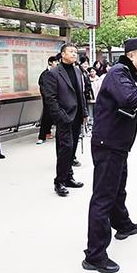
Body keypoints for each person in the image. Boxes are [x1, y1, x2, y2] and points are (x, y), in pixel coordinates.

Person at [83, 37, 137, 273]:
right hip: (108, 144)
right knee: (103, 197)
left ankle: (122, 224)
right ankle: (95, 255)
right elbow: (130, 99)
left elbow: (135, 107)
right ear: (131, 55)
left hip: (118, 144)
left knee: (117, 188)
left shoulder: (130, 75)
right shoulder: (119, 73)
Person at [42, 43, 87, 197]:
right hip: (64, 117)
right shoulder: (53, 73)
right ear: (62, 54)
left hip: (77, 116)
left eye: (75, 52)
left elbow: (81, 94)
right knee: (65, 149)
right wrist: (60, 117)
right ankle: (59, 181)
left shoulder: (77, 70)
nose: (74, 54)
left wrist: (84, 113)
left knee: (72, 149)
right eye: (71, 51)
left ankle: (68, 177)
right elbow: (50, 99)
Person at [37, 55, 59, 145]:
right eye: (55, 62)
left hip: (57, 99)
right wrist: (47, 97)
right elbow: (42, 86)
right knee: (46, 117)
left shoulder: (58, 72)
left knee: (57, 117)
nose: (57, 63)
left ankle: (52, 133)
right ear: (50, 62)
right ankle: (41, 137)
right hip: (48, 100)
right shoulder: (45, 74)